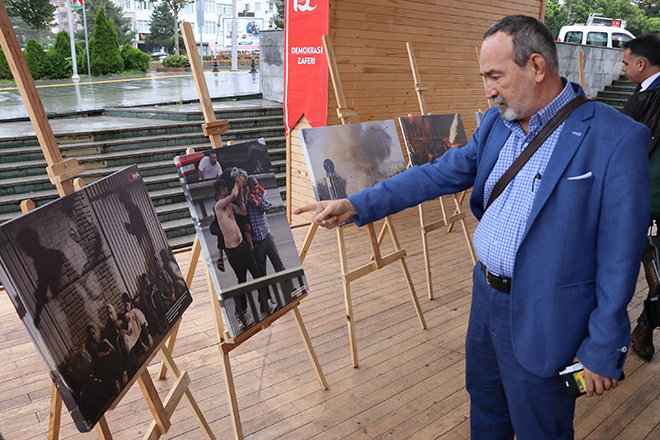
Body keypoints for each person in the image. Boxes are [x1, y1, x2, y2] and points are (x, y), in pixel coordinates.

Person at [295, 15, 650, 439]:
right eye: (485, 78)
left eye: (495, 76)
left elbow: (620, 254)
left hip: (548, 318)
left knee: (541, 429)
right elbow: (436, 174)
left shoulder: (616, 137)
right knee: (485, 411)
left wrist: (604, 344)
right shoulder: (495, 125)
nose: (488, 91)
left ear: (537, 67)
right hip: (485, 299)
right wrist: (356, 203)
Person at [620, 34, 660, 362]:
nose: (623, 68)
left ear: (642, 63)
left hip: (645, 196)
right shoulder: (644, 93)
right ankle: (613, 328)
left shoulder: (651, 94)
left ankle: (645, 324)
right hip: (637, 196)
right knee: (619, 261)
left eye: (625, 62)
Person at [214, 174, 269, 326]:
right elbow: (233, 195)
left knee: (257, 273)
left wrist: (240, 194)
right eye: (226, 189)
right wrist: (238, 183)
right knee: (242, 281)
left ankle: (265, 301)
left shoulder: (230, 206)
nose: (228, 191)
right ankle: (241, 314)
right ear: (222, 191)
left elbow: (243, 211)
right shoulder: (218, 206)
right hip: (233, 251)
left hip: (243, 245)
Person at [245, 175, 285, 276]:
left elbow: (267, 207)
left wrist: (258, 203)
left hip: (266, 234)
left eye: (257, 188)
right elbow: (243, 212)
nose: (256, 191)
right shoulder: (244, 199)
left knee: (278, 263)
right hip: (256, 239)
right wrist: (248, 199)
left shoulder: (260, 194)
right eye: (253, 189)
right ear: (248, 188)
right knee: (261, 271)